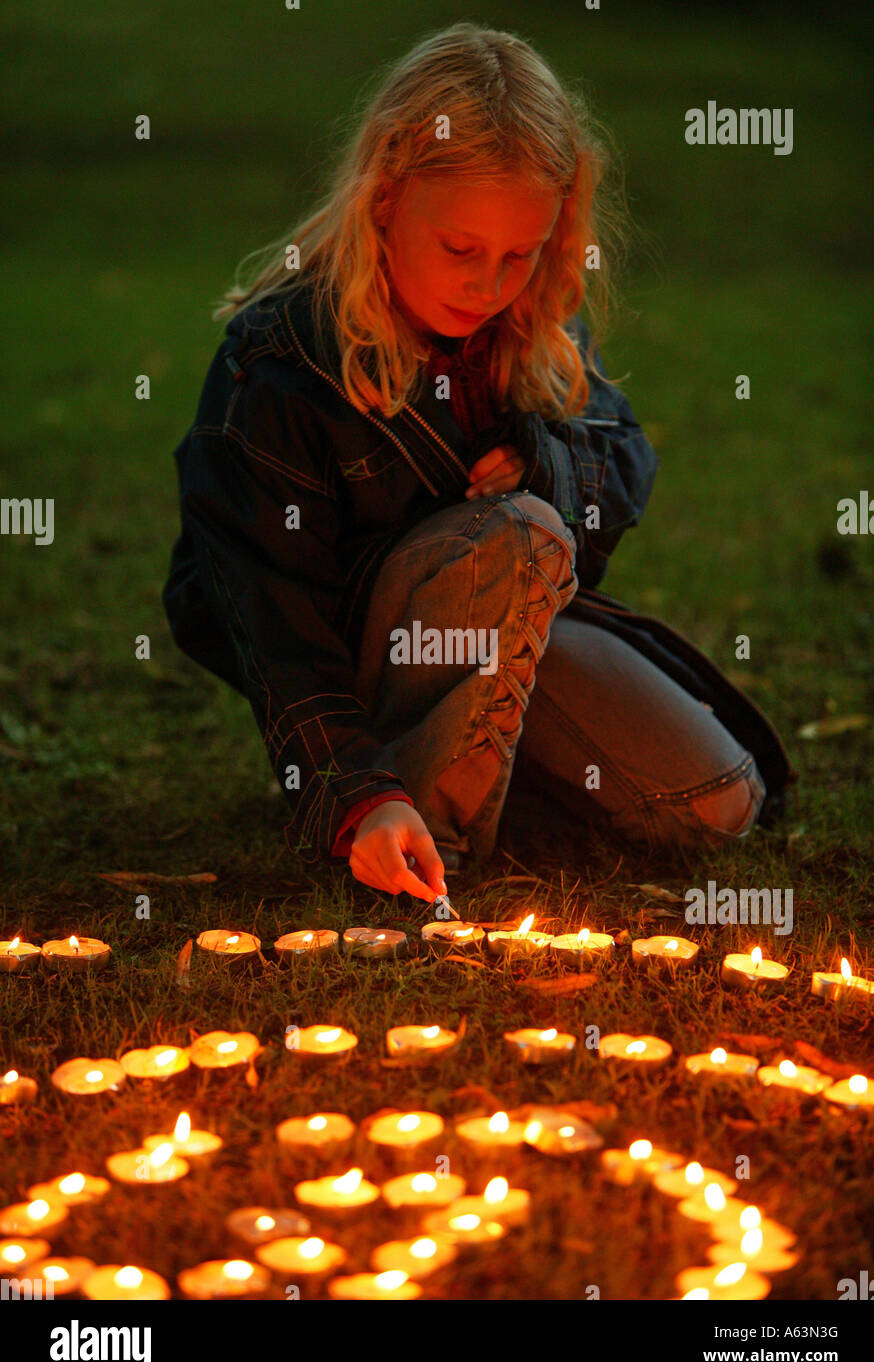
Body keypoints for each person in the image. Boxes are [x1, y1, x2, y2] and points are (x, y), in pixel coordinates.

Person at [162, 22, 795, 908]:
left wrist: (547, 463)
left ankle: (476, 767)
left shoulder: (529, 326)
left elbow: (624, 462)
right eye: (461, 249)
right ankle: (421, 837)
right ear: (385, 197)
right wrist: (351, 786)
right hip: (358, 659)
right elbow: (269, 618)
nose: (487, 282)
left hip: (517, 642)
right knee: (522, 534)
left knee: (715, 804)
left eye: (519, 254)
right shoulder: (279, 364)